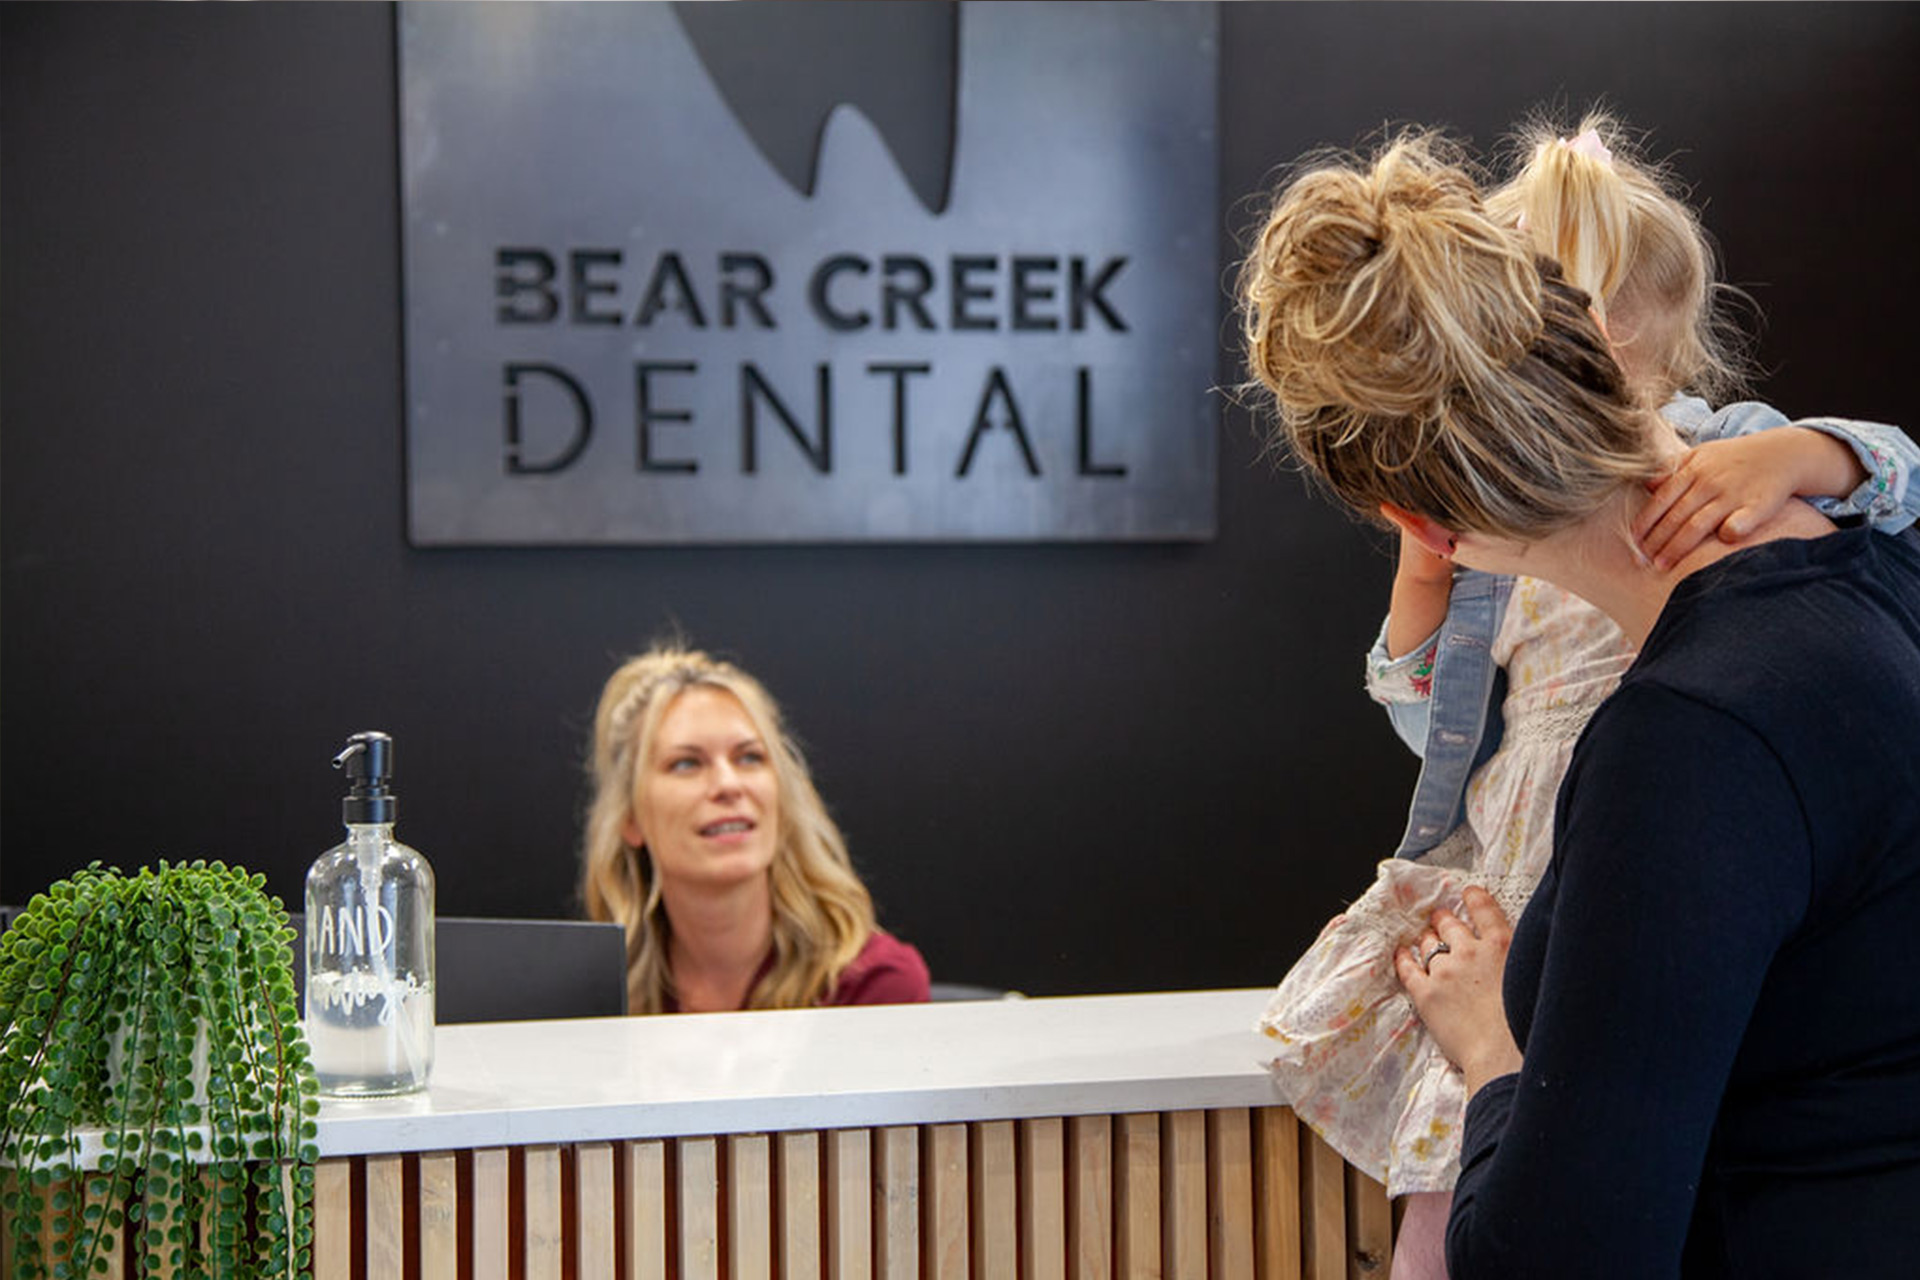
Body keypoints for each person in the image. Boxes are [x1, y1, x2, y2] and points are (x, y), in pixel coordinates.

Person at [1248, 115, 1919, 1280]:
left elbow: (1558, 1256)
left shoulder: (1690, 742)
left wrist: (1493, 1047)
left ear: (1425, 526)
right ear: (1595, 350)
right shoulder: (1884, 573)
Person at [580, 643, 929, 1014]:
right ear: (630, 818)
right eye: (686, 764)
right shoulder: (595, 997)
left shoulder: (874, 985)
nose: (729, 784)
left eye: (749, 757)